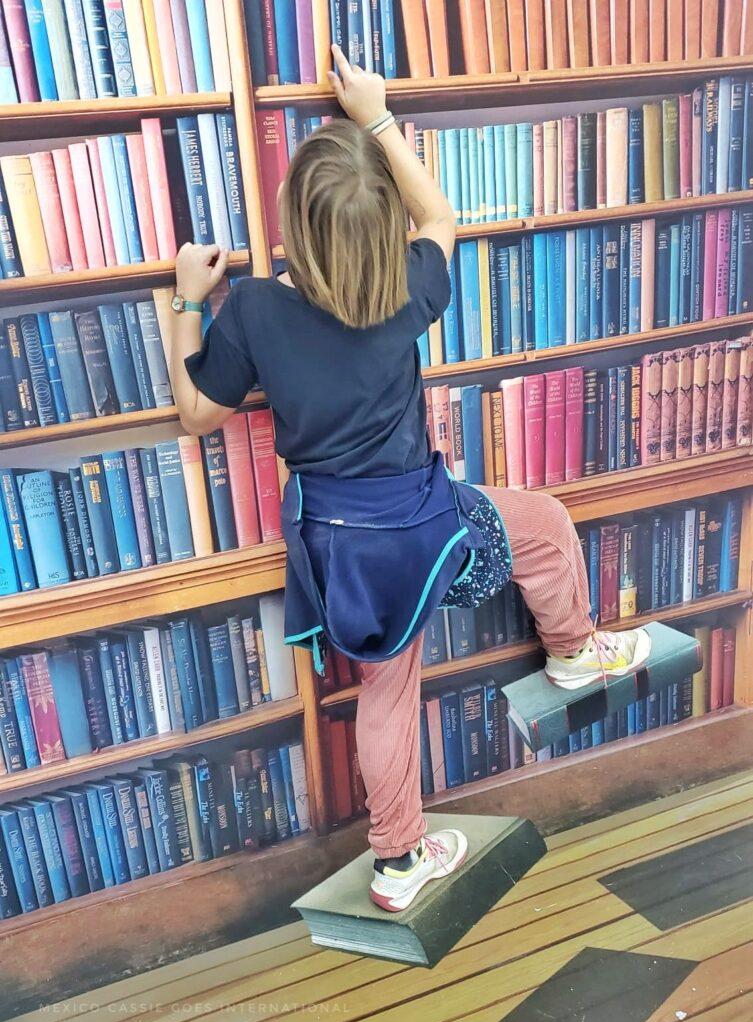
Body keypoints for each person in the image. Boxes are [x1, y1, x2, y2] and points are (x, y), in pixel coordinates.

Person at [169, 45, 650, 914]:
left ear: (291, 223)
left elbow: (197, 414)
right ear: (379, 225)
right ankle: (577, 653)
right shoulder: (408, 287)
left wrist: (182, 300)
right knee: (540, 521)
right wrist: (376, 117)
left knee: (386, 692)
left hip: (335, 550)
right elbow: (442, 216)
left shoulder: (253, 311)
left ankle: (398, 861)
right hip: (426, 527)